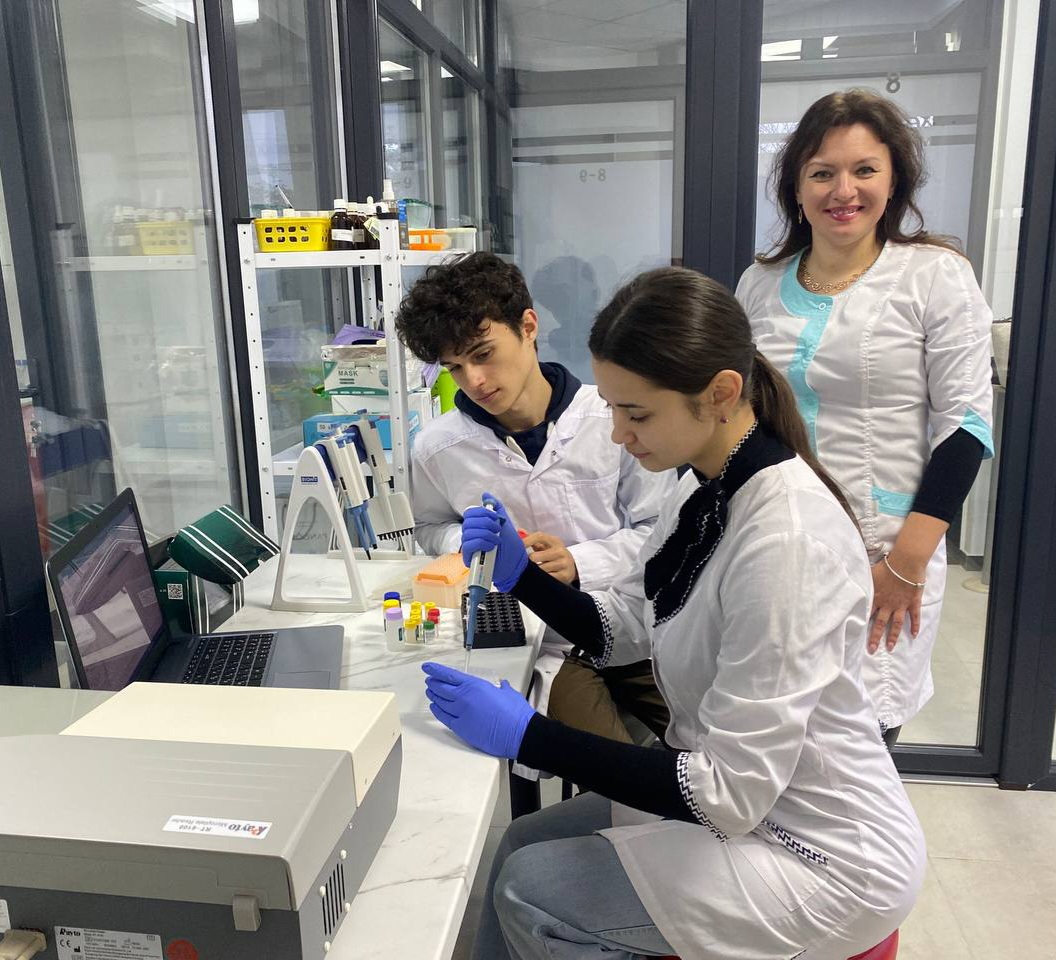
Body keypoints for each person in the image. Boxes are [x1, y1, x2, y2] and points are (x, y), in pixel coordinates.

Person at [421, 268, 926, 960]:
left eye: (636, 414)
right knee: (520, 841)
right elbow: (627, 624)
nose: (618, 434)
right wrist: (521, 577)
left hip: (823, 856)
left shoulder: (786, 539)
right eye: (613, 408)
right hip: (754, 803)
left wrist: (532, 737)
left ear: (720, 394)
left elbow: (725, 795)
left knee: (531, 888)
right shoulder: (703, 488)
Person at [736, 89, 995, 746]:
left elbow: (965, 429)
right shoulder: (760, 283)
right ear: (796, 187)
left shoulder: (936, 276)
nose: (843, 191)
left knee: (863, 746)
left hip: (886, 552)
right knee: (774, 735)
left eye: (864, 170)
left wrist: (905, 566)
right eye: (822, 172)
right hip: (780, 545)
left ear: (894, 179)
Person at [396, 252, 675, 745]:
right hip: (540, 640)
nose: (473, 381)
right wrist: (469, 542)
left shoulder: (611, 417)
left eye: (483, 354)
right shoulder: (438, 447)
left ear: (528, 326)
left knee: (707, 743)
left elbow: (659, 531)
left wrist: (578, 562)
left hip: (633, 621)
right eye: (454, 367)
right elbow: (429, 527)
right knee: (605, 763)